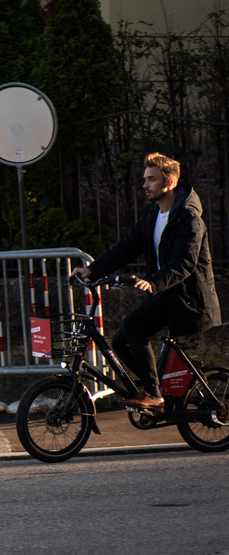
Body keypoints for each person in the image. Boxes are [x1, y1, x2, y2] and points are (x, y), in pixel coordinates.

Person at [78, 153, 219, 409]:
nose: (145, 185)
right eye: (145, 179)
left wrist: (153, 282)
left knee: (133, 325)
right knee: (120, 341)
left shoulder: (188, 217)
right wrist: (93, 269)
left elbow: (184, 262)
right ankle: (159, 390)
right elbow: (127, 247)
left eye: (151, 179)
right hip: (168, 293)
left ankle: (154, 395)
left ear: (169, 182)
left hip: (188, 296)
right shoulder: (152, 213)